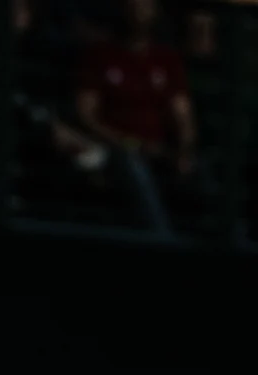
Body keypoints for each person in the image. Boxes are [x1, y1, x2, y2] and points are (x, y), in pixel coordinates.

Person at [75, 0, 195, 235]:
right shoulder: (101, 55)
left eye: (147, 3)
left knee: (202, 174)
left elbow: (183, 117)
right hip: (116, 150)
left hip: (160, 150)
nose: (139, 7)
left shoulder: (166, 59)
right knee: (133, 167)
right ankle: (163, 241)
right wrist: (128, 143)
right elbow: (85, 115)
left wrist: (184, 151)